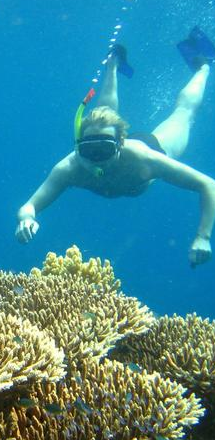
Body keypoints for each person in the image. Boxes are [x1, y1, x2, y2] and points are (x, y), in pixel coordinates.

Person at [15, 27, 215, 267]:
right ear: (80, 146)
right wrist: (26, 219)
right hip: (118, 144)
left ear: (121, 143)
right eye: (90, 150)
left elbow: (208, 184)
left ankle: (203, 66)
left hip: (156, 144)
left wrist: (203, 237)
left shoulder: (145, 158)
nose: (97, 158)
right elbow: (29, 206)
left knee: (183, 114)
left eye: (105, 149)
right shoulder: (70, 167)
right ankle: (113, 63)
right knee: (104, 113)